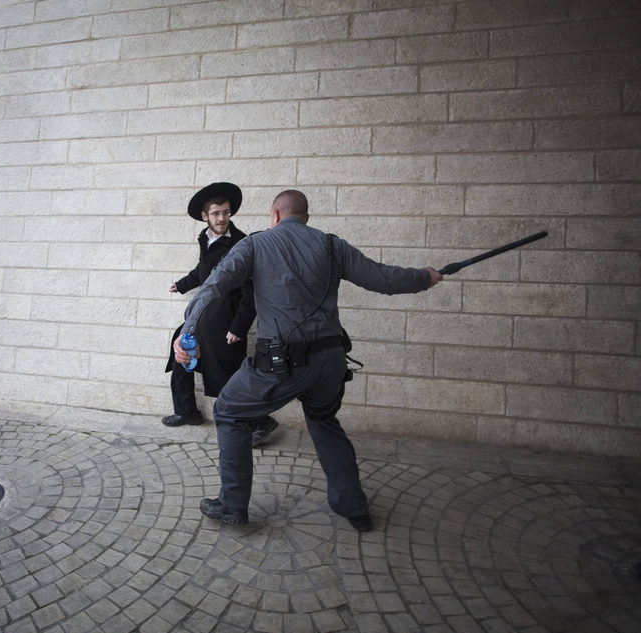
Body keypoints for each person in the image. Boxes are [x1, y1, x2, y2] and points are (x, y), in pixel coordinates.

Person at [174, 190, 443, 531]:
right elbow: (384, 279)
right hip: (330, 362)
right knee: (324, 420)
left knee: (228, 411)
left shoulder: (255, 245)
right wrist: (425, 277)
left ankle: (232, 504)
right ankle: (353, 506)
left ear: (274, 215)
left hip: (279, 364)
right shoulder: (332, 246)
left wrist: (188, 336)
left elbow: (213, 288)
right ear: (306, 218)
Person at [164, 182, 278, 445]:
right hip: (204, 316)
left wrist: (239, 327)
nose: (222, 218)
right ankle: (186, 411)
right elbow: (202, 271)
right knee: (180, 352)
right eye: (216, 213)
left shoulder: (243, 243)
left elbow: (252, 292)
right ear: (205, 216)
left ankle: (261, 420)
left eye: (226, 212)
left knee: (227, 377)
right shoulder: (206, 239)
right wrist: (183, 285)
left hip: (226, 321)